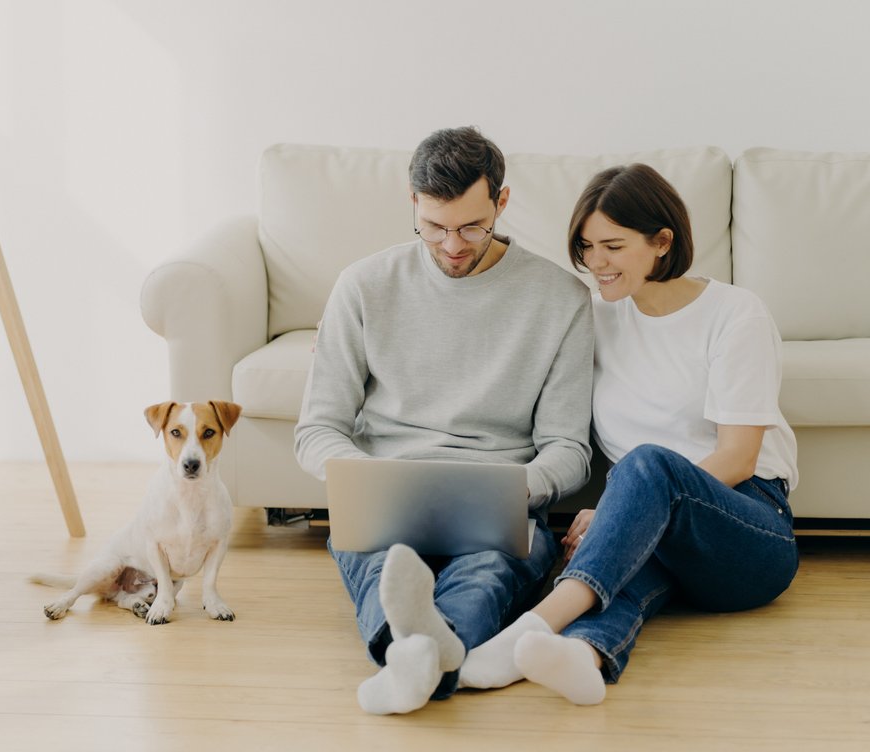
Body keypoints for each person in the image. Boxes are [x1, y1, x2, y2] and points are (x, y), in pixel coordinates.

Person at [461, 163, 799, 705]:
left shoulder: (735, 314)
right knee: (619, 573)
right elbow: (504, 352)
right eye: (586, 246)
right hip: (654, 534)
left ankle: (528, 629)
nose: (595, 263)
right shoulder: (594, 318)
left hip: (749, 530)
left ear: (662, 242)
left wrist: (616, 508)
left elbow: (738, 458)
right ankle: (583, 657)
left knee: (645, 463)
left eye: (613, 246)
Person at [294, 126, 595, 715]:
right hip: (384, 497)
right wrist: (364, 479)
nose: (452, 245)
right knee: (382, 567)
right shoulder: (363, 285)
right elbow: (318, 429)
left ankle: (409, 663)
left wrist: (519, 487)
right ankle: (427, 658)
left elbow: (568, 448)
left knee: (488, 574)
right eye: (433, 227)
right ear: (413, 202)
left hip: (499, 505)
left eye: (471, 227)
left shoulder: (561, 299)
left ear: (502, 202)